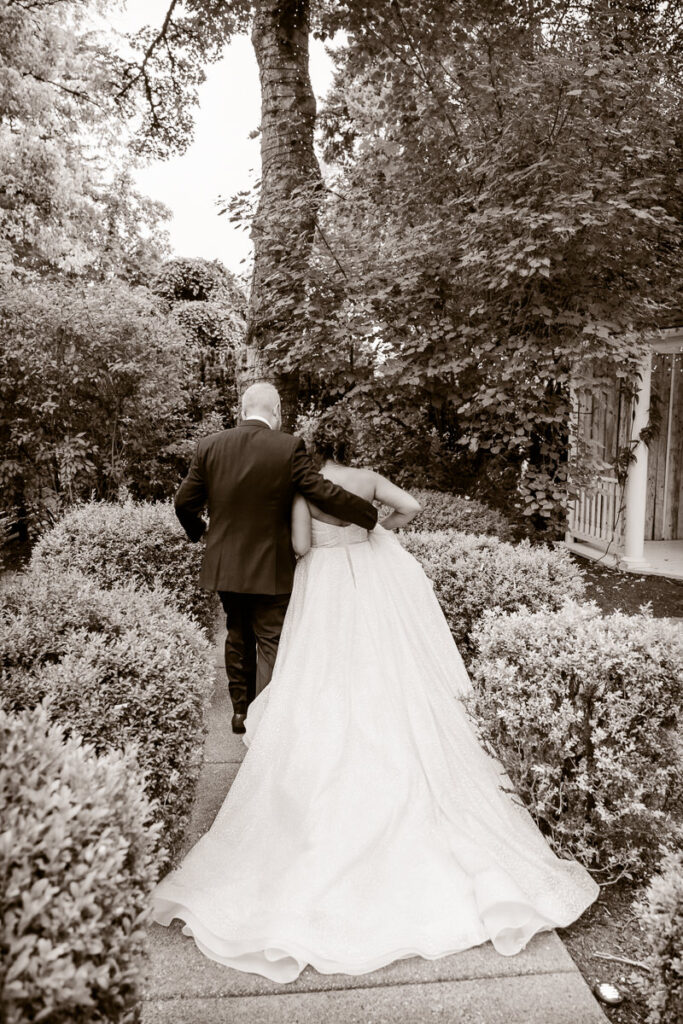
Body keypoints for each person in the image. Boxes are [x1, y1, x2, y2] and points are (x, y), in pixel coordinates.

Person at [151, 416, 600, 983]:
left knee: (320, 671)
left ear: (316, 448)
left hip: (327, 589)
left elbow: (298, 545)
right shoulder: (368, 479)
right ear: (354, 445)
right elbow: (409, 506)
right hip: (375, 576)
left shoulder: (304, 488)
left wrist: (320, 541)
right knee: (391, 664)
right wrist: (378, 529)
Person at [173, 383, 378, 733]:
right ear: (278, 410)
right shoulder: (287, 447)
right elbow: (322, 491)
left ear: (241, 409)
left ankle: (240, 713)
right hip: (272, 565)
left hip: (227, 564)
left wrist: (202, 529)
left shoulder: (210, 446)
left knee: (237, 635)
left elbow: (183, 503)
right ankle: (266, 718)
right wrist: (367, 515)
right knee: (271, 639)